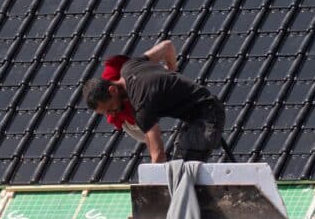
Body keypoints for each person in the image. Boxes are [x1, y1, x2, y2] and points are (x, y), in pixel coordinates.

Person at [81, 39, 225, 163]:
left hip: (207, 118)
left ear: (113, 90)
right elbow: (167, 46)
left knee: (184, 171)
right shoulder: (130, 67)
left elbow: (158, 155)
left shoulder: (140, 103)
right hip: (202, 114)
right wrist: (173, 72)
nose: (112, 114)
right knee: (180, 164)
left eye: (110, 108)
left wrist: (154, 188)